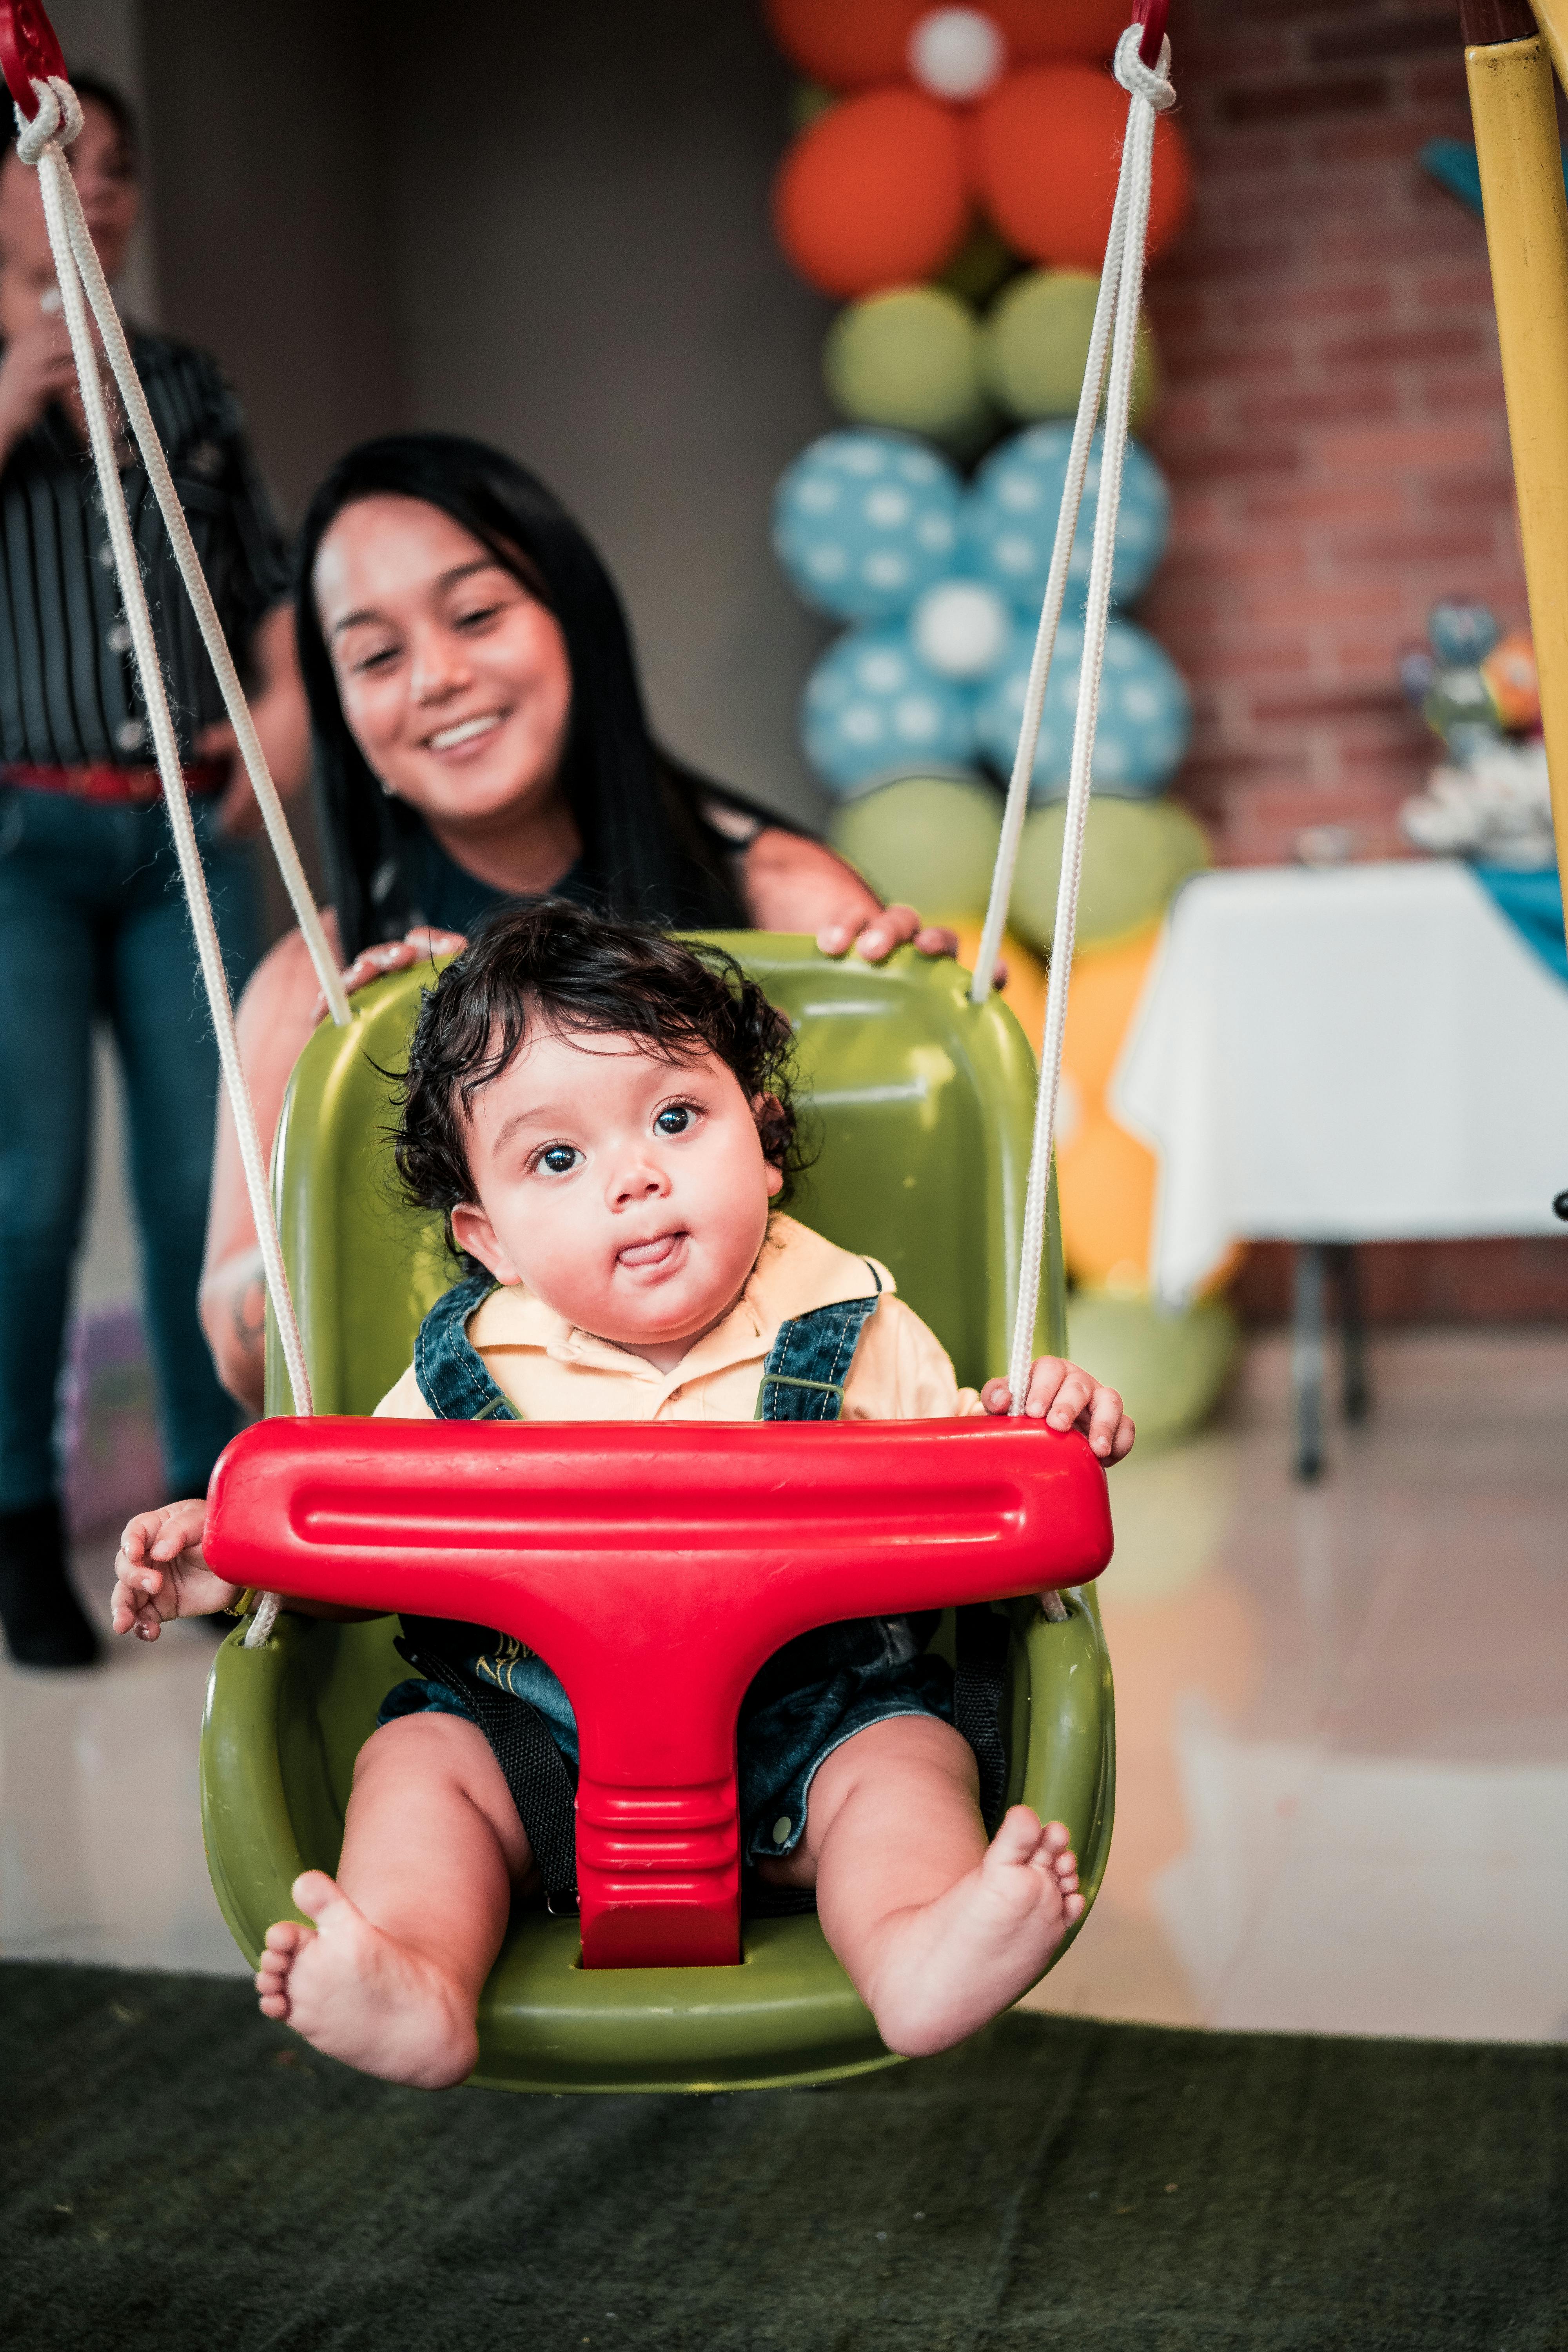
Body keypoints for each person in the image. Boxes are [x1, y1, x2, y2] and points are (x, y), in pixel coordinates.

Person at [116, 902, 1133, 2087]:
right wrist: (234, 1559)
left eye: (675, 1118)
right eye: (558, 1159)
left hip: (821, 1732)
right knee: (422, 1768)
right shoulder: (467, 1368)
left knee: (911, 1763)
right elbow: (356, 1536)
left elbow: (986, 1508)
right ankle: (416, 1969)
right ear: (489, 1239)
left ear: (763, 1142)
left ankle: (917, 1950)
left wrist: (1046, 1428)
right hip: (534, 1751)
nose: (635, 1178)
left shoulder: (853, 1322)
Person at [199, 432, 965, 1414]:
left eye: (476, 615)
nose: (436, 676)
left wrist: (923, 1013)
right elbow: (238, 1354)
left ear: (572, 617)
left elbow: (939, 1221)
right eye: (378, 656)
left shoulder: (791, 901)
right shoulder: (312, 989)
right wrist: (343, 1116)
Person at [0, 73, 310, 1668]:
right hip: (21, 840)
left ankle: (217, 1521)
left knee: (216, 1182)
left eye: (120, 167)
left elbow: (262, 581)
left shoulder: (182, 380)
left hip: (187, 825)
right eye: (69, 158)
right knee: (29, 1193)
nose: (99, 190)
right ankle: (16, 1525)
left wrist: (285, 710)